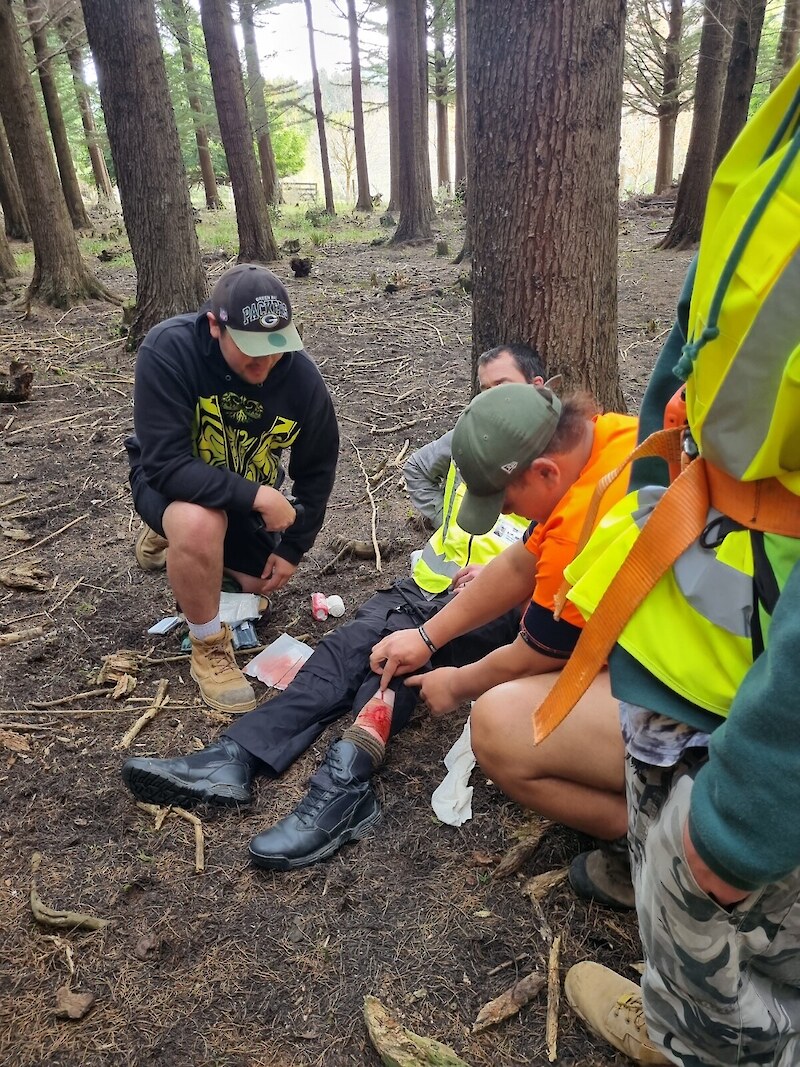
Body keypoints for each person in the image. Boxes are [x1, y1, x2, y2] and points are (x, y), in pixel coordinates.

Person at [121, 345, 543, 869]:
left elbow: (564, 570)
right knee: (340, 651)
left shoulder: (548, 467)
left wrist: (510, 577)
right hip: (421, 585)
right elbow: (424, 474)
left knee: (393, 670)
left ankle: (342, 788)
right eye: (484, 390)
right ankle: (235, 758)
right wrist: (440, 526)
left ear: (538, 388)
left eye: (503, 386)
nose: (491, 400)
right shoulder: (473, 439)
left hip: (488, 608)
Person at [562, 292, 800, 1060]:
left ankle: (698, 1037)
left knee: (722, 913)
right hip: (692, 657)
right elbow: (702, 328)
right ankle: (682, 1007)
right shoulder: (768, 169)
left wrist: (750, 802)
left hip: (763, 706)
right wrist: (657, 509)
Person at [369, 384, 637, 897]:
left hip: (708, 711)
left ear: (544, 472)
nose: (511, 514)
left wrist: (458, 683)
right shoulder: (609, 440)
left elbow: (535, 652)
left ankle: (649, 836)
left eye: (508, 499)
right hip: (693, 663)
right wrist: (427, 637)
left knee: (496, 725)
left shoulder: (584, 518)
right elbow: (520, 563)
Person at [127, 263, 338, 715]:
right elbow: (164, 464)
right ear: (214, 327)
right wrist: (259, 496)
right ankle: (208, 647)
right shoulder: (170, 350)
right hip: (169, 485)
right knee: (199, 521)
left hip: (239, 495)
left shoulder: (301, 379)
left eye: (275, 350)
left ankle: (187, 546)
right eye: (250, 351)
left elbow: (317, 470)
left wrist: (294, 549)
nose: (264, 366)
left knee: (259, 581)